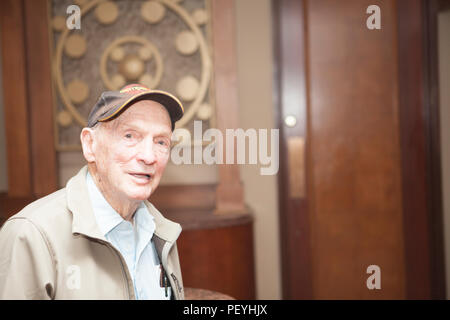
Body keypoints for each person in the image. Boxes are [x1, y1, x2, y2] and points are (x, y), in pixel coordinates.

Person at [0, 84, 185, 300]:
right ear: (90, 145)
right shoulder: (31, 235)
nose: (148, 156)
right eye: (129, 136)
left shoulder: (162, 232)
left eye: (160, 141)